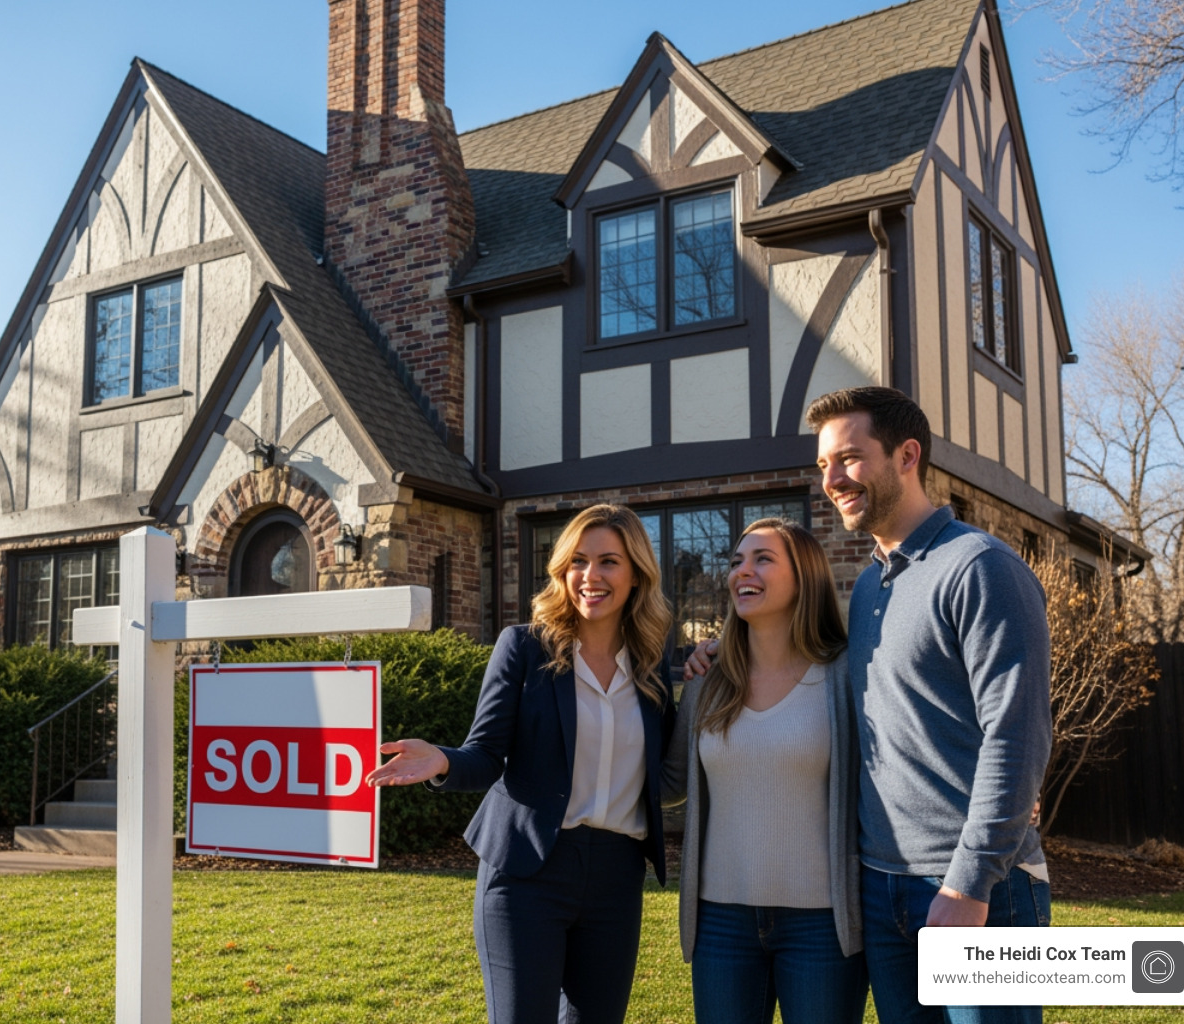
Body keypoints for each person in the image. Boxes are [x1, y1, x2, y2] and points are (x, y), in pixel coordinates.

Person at [690, 386, 1051, 1024]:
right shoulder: (868, 591)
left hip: (978, 888)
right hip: (881, 890)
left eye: (850, 458)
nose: (831, 479)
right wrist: (728, 651)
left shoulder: (980, 567)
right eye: (824, 464)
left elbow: (1017, 735)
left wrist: (969, 882)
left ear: (907, 456)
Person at [366, 503, 675, 1024]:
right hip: (528, 872)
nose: (590, 576)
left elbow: (668, 763)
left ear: (637, 574)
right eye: (578, 561)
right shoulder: (525, 648)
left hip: (616, 877)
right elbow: (486, 754)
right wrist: (442, 761)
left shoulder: (652, 662)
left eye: (608, 561)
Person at [662, 517, 866, 1024]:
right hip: (720, 922)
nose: (741, 571)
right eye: (736, 561)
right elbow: (669, 783)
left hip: (822, 925)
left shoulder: (844, 676)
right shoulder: (708, 681)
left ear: (805, 578)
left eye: (762, 559)